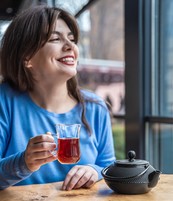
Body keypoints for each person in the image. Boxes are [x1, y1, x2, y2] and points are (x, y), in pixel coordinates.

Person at [0, 5, 115, 190]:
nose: (70, 46)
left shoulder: (95, 107)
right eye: (55, 38)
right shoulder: (4, 102)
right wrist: (23, 162)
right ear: (27, 57)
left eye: (71, 38)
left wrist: (93, 170)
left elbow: (108, 166)